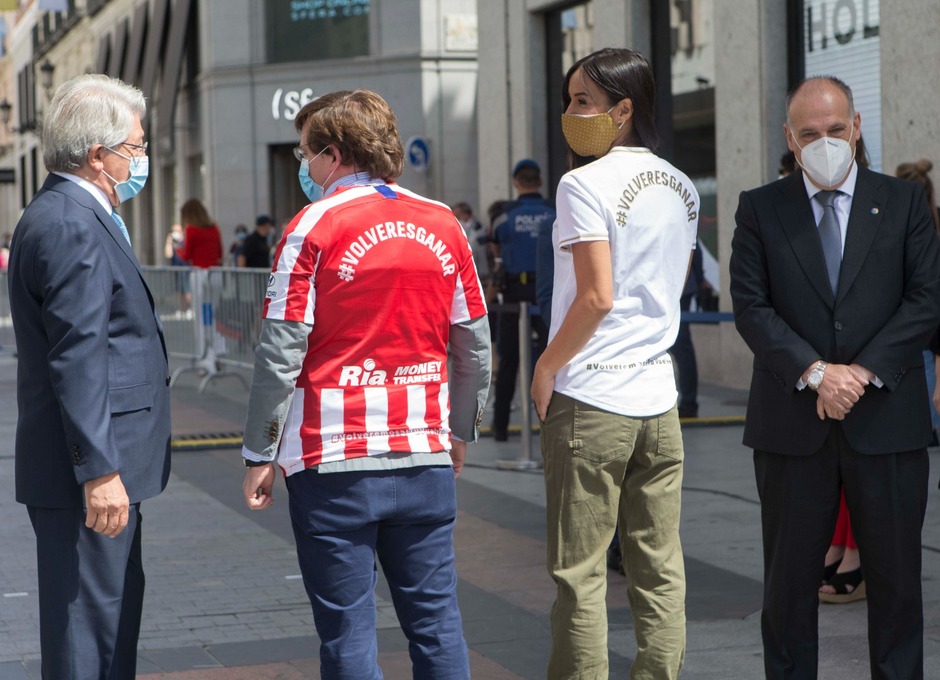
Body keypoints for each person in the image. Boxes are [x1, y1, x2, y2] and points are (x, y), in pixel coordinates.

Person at [239, 89, 490, 679]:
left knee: (347, 632)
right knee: (437, 624)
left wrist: (259, 452)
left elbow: (280, 351)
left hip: (332, 458)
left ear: (333, 154)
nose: (304, 166)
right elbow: (474, 346)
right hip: (423, 450)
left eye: (305, 153)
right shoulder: (444, 222)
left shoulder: (311, 226)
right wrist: (460, 431)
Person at [729, 76, 940, 680]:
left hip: (888, 422)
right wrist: (818, 373)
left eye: (836, 129)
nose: (825, 142)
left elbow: (925, 300)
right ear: (790, 139)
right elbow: (751, 306)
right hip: (792, 426)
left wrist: (861, 373)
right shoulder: (760, 208)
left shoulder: (902, 202)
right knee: (788, 590)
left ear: (857, 127)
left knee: (897, 587)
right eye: (810, 133)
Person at [531, 47, 698, 679]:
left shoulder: (581, 184)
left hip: (592, 397)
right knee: (659, 566)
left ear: (623, 110)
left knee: (580, 573)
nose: (570, 114)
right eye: (570, 100)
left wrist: (546, 366)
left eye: (584, 101)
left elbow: (597, 296)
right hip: (658, 397)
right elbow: (670, 285)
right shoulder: (680, 186)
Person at [6, 73, 170, 679]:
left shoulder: (71, 212)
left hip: (100, 467)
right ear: (99, 155)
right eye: (136, 147)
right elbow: (78, 356)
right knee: (87, 639)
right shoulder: (71, 222)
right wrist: (99, 471)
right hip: (91, 474)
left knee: (111, 627)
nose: (142, 158)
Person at [490, 159, 554, 441]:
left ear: (516, 182)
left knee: (508, 362)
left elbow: (496, 248)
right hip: (548, 292)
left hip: (514, 293)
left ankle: (500, 427)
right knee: (553, 358)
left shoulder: (505, 215)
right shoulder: (554, 211)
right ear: (539, 181)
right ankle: (551, 424)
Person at [670, 242, 711, 418]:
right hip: (675, 285)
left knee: (681, 347)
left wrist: (699, 280)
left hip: (677, 286)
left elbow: (693, 247)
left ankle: (688, 402)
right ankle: (688, 402)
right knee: (681, 347)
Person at [175, 198, 223, 268]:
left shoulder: (191, 230)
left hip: (199, 270)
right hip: (215, 270)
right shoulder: (214, 228)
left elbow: (186, 256)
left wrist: (177, 250)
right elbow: (220, 253)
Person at [451, 201, 490, 285]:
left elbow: (480, 250)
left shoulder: (479, 227)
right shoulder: (457, 226)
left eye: (458, 215)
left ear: (465, 214)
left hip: (477, 266)